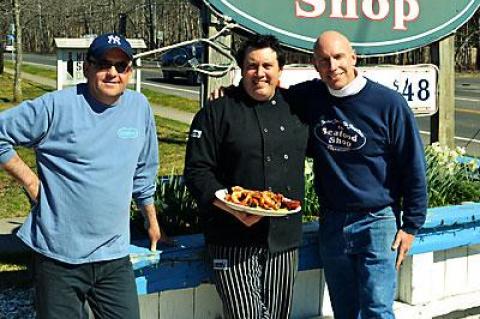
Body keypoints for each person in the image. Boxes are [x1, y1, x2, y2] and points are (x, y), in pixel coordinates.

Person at [0, 32, 165, 319]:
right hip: (58, 257)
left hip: (114, 256)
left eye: (121, 66)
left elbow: (144, 170)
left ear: (130, 71)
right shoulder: (56, 106)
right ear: (87, 67)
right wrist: (30, 181)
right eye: (103, 63)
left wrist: (151, 221)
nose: (112, 72)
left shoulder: (139, 108)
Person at [289, 30, 428, 318]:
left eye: (338, 57)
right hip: (332, 223)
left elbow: (412, 166)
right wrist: (228, 92)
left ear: (354, 57)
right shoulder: (310, 97)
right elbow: (267, 91)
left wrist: (411, 225)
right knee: (345, 310)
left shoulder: (388, 104)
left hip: (377, 222)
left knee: (377, 309)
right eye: (324, 60)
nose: (332, 66)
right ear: (315, 66)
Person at [184, 35, 308, 319]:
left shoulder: (296, 110)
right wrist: (229, 206)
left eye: (267, 65)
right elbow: (196, 171)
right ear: (241, 69)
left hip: (283, 239)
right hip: (230, 237)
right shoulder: (216, 112)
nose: (260, 73)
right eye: (252, 66)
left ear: (280, 70)